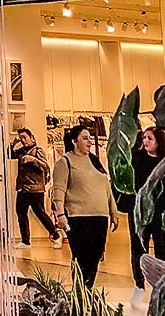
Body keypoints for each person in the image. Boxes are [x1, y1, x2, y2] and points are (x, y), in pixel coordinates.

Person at [52, 122, 118, 288]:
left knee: (95, 257)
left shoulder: (95, 161)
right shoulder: (65, 162)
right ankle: (79, 293)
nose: (89, 141)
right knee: (81, 257)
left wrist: (113, 212)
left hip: (100, 217)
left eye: (89, 138)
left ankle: (88, 290)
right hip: (78, 217)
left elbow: (106, 187)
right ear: (74, 141)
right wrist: (60, 214)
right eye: (85, 138)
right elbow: (58, 190)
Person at [120, 122, 165, 300]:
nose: (145, 141)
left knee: (161, 247)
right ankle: (139, 284)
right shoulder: (136, 158)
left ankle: (160, 285)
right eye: (144, 138)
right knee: (138, 247)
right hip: (138, 211)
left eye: (149, 138)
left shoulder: (163, 162)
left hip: (159, 212)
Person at [7, 126, 59, 246]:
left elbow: (45, 166)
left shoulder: (38, 151)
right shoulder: (21, 151)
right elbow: (9, 155)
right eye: (21, 138)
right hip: (23, 188)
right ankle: (25, 240)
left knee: (40, 213)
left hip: (35, 189)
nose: (23, 140)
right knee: (21, 213)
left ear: (32, 138)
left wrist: (33, 160)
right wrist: (13, 144)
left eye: (25, 137)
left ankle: (55, 235)